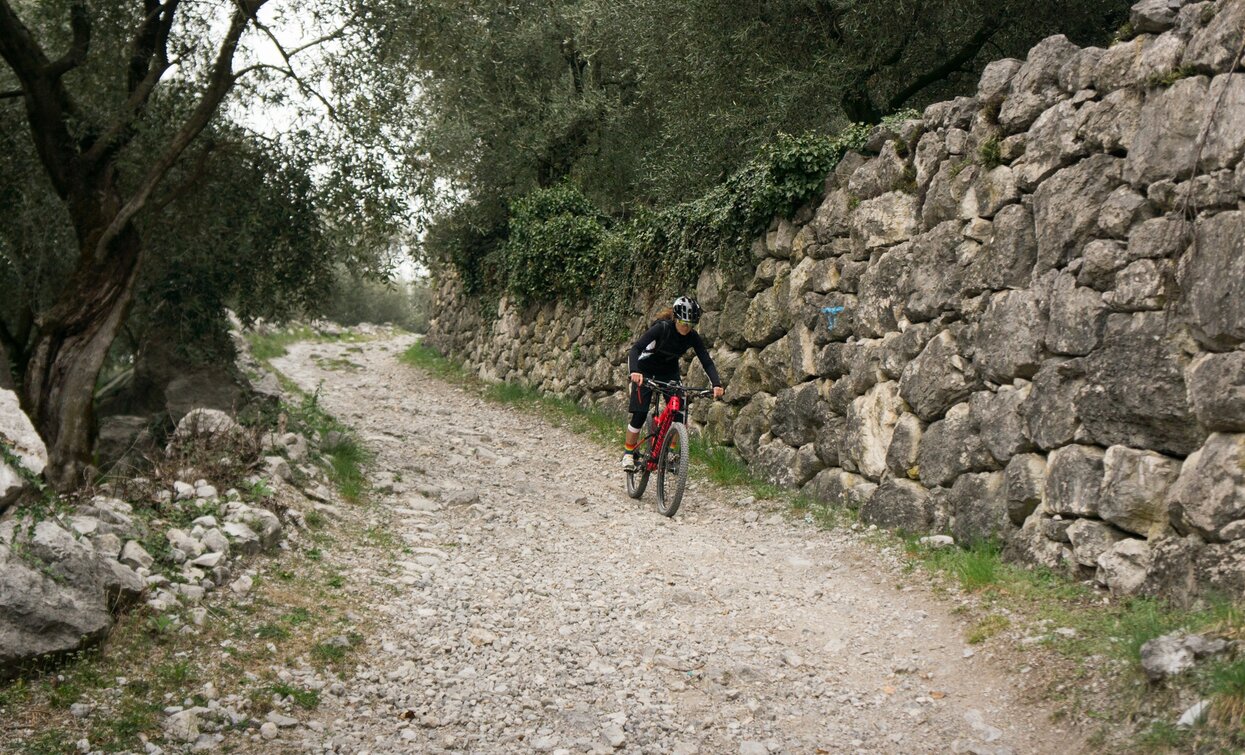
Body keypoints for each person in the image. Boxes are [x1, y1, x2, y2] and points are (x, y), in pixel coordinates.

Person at [622, 296, 724, 470]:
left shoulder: (692, 336)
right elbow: (635, 349)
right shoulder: (661, 329)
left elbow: (706, 361)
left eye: (691, 325)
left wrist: (716, 384)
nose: (686, 328)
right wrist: (635, 372)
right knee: (639, 414)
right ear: (676, 319)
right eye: (684, 323)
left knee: (679, 410)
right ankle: (628, 454)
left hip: (669, 373)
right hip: (645, 371)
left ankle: (669, 453)